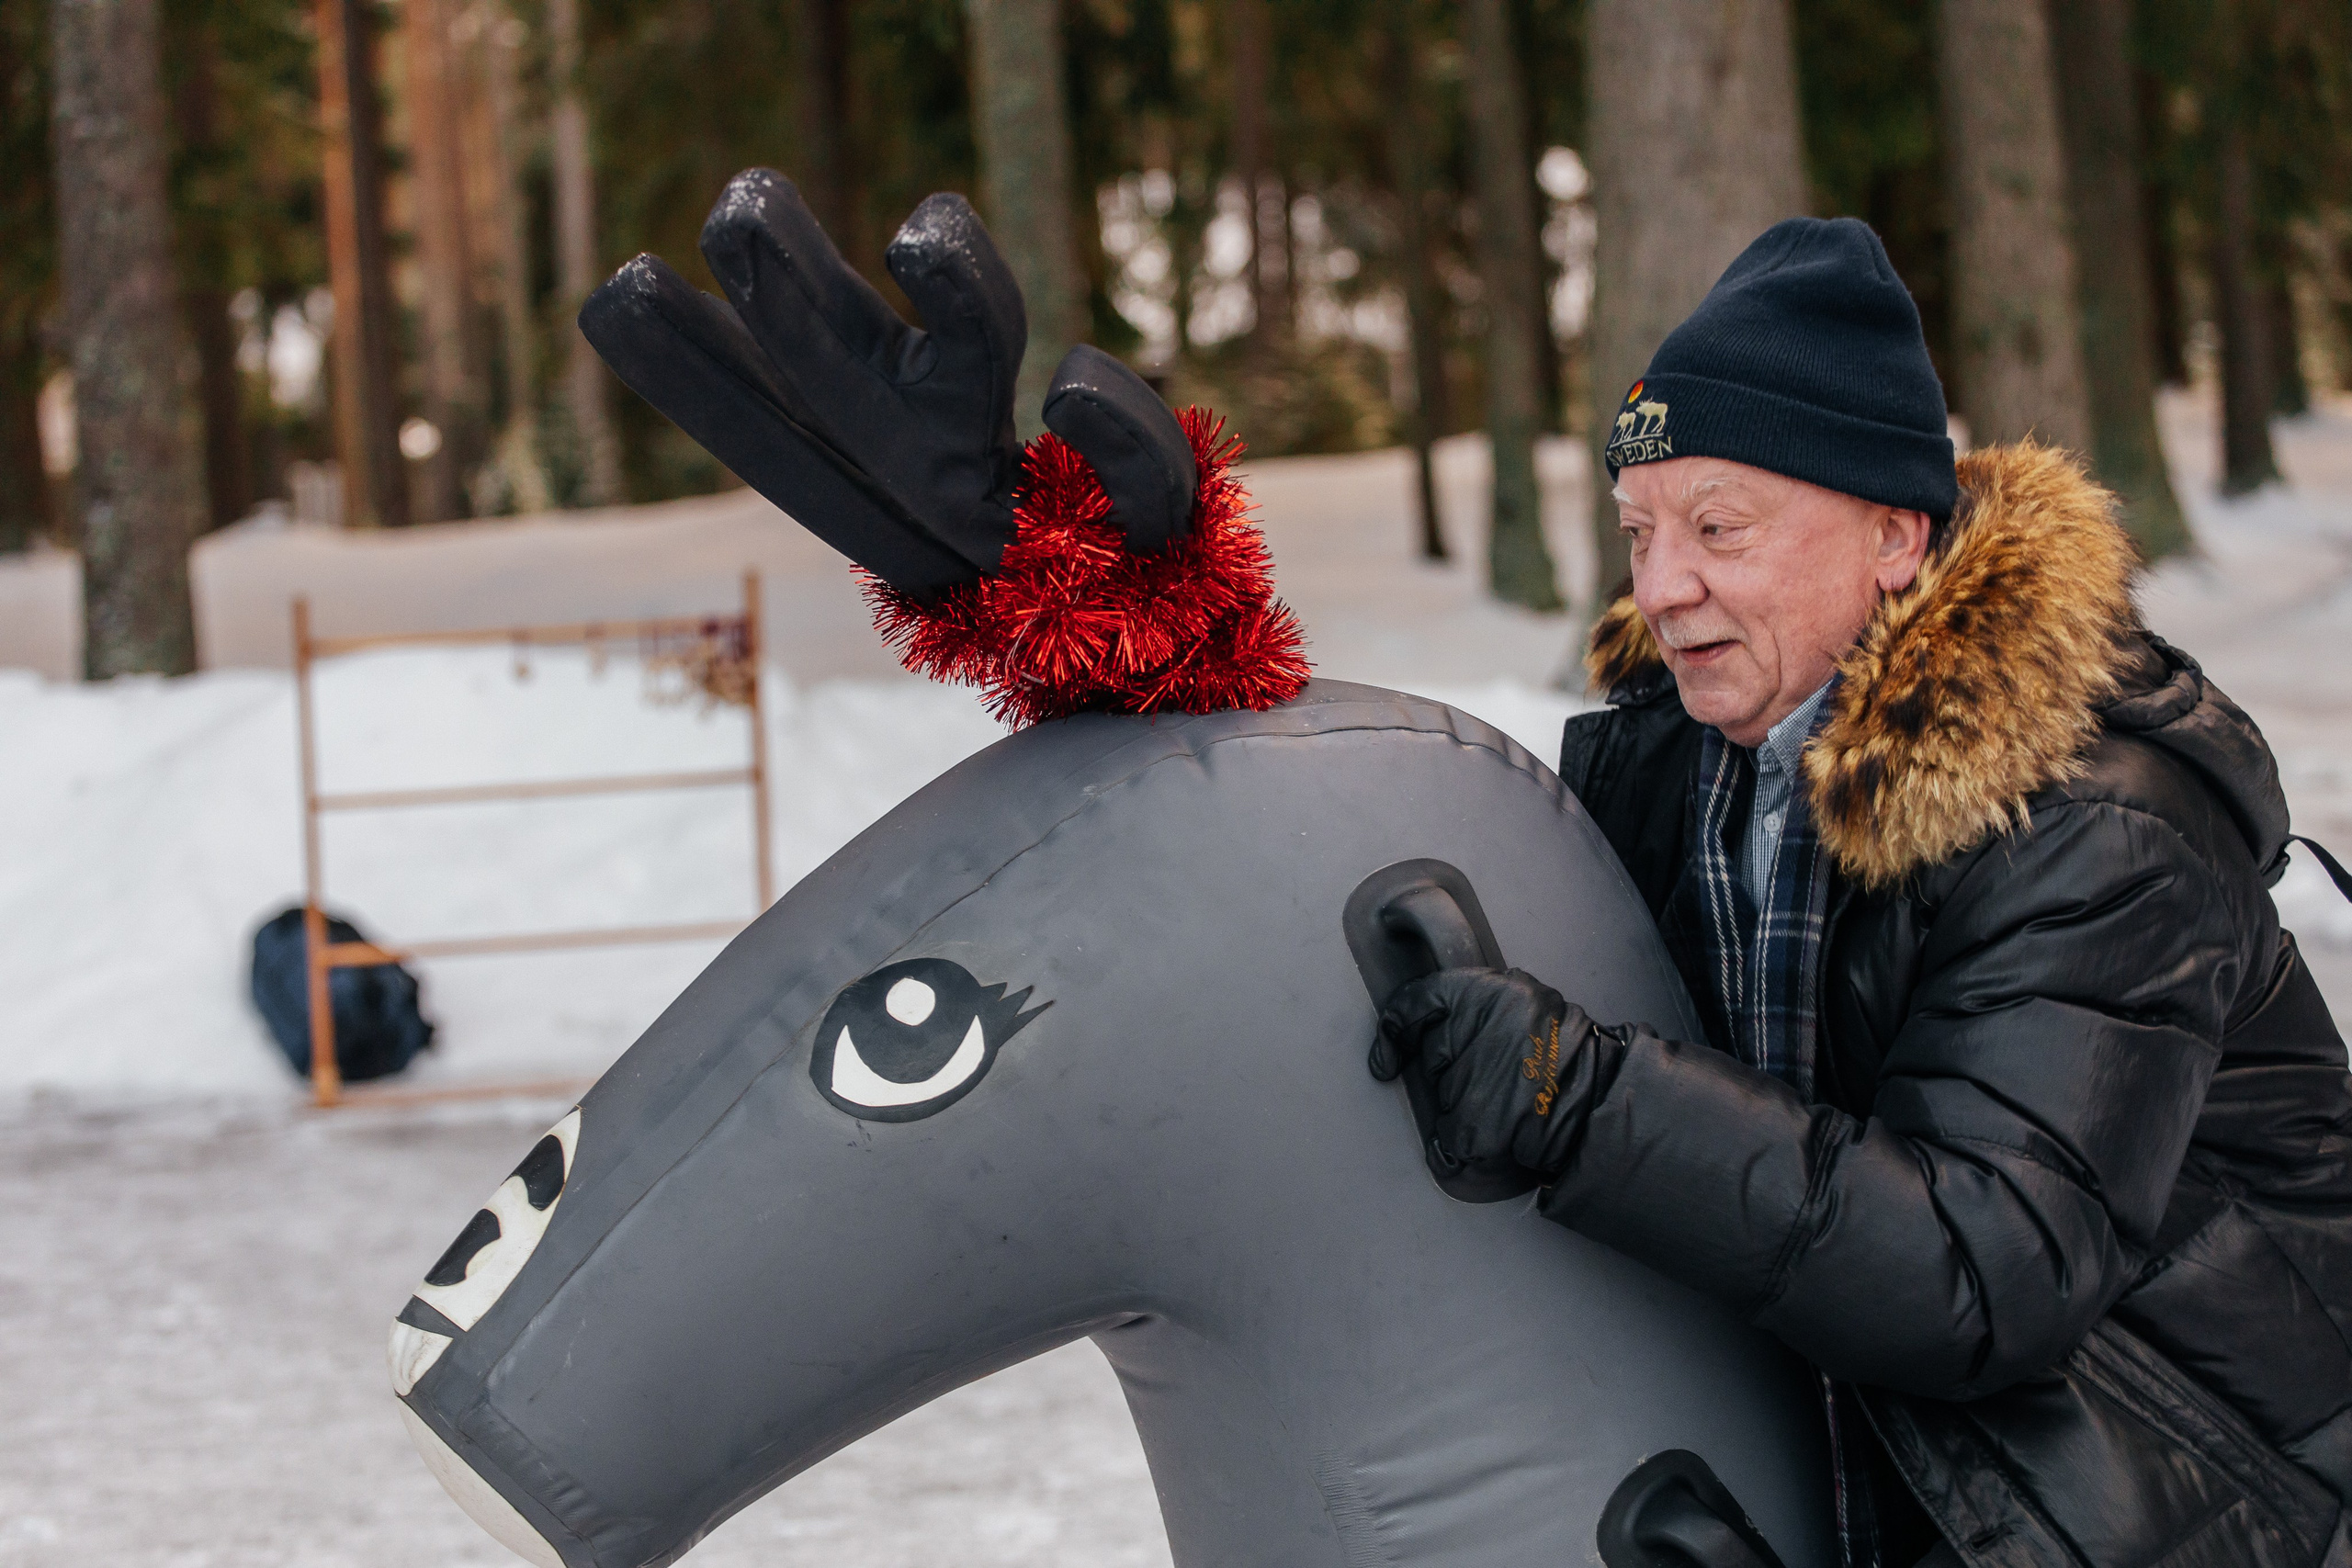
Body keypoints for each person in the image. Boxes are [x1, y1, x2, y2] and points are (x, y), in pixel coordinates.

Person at [1372, 218, 2352, 1568]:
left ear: (1893, 535)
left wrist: (1578, 1099)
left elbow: (1982, 1268)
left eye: (1718, 527)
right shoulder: (1683, 765)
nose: (1661, 588)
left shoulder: (2093, 821)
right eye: (1638, 531)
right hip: (1875, 1476)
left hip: (2189, 1501)